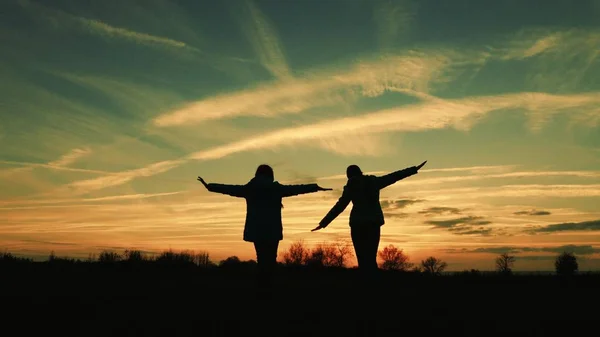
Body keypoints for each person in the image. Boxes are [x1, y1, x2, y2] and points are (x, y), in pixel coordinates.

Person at [197, 164, 332, 290]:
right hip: (272, 231)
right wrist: (315, 187)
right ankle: (268, 289)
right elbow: (296, 189)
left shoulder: (250, 189)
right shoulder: (276, 189)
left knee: (261, 259)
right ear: (271, 175)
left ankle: (262, 289)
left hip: (256, 230)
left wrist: (210, 186)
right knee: (270, 261)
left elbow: (230, 189)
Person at [312, 161, 427, 281]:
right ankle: (373, 284)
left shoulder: (351, 186)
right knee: (371, 258)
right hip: (373, 223)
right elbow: (394, 176)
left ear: (349, 176)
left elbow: (340, 206)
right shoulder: (374, 182)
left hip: (358, 224)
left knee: (362, 259)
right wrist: (413, 169)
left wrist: (323, 223)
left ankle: (366, 284)